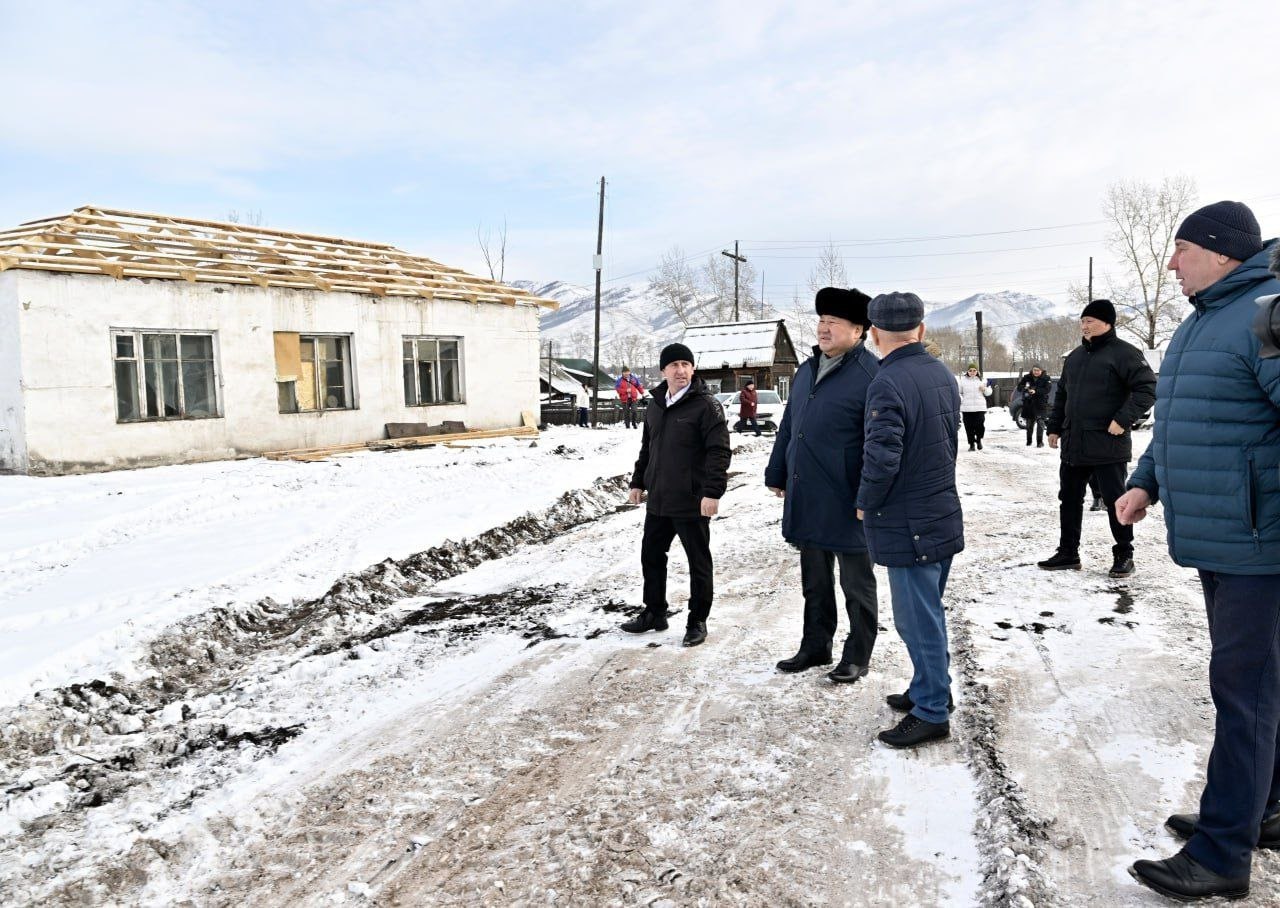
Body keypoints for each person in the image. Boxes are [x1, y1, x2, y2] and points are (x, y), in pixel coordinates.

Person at [1116, 201, 1280, 902]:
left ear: (1218, 252)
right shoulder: (1204, 322)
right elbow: (1184, 421)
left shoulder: (1264, 315)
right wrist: (1144, 482)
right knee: (1263, 687)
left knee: (1243, 695)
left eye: (1180, 249)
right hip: (1225, 538)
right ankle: (1263, 809)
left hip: (1258, 543)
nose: (1172, 263)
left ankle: (1221, 854)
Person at [857, 291, 964, 748]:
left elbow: (883, 457)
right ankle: (928, 688)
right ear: (920, 330)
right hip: (938, 509)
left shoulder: (887, 382)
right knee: (928, 613)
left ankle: (932, 711)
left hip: (908, 520)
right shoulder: (940, 373)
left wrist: (865, 500)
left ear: (874, 334)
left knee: (917, 620)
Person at [765, 287, 879, 683]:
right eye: (821, 321)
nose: (824, 329)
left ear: (859, 330)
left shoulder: (871, 376)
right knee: (814, 580)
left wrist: (869, 495)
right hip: (807, 490)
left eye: (834, 322)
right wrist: (777, 471)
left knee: (856, 584)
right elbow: (790, 425)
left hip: (848, 497)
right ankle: (815, 645)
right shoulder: (807, 369)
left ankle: (857, 654)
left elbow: (878, 444)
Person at [622, 343, 732, 647]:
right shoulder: (656, 405)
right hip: (659, 500)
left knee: (698, 562)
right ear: (664, 370)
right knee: (651, 557)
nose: (680, 370)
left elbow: (719, 451)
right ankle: (655, 612)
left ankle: (697, 620)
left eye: (686, 364)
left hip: (692, 500)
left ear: (693, 369)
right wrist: (637, 482)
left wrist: (712, 493)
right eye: (674, 365)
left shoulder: (706, 406)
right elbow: (648, 448)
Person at [1037, 299, 1156, 578]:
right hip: (1074, 442)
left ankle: (1124, 554)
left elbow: (1147, 389)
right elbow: (1062, 396)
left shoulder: (1125, 353)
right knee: (1069, 498)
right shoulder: (1076, 357)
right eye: (1082, 321)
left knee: (1116, 500)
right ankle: (1068, 552)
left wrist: (1123, 419)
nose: (1084, 325)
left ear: (1107, 322)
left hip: (1108, 443)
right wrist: (1054, 428)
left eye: (1090, 320)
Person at [957, 363, 991, 451]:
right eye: (970, 370)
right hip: (966, 408)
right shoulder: (962, 381)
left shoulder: (982, 380)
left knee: (980, 426)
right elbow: (959, 393)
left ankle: (979, 440)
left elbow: (988, 392)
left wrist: (984, 389)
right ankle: (971, 444)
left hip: (979, 408)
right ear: (967, 371)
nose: (972, 372)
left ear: (977, 371)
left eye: (974, 370)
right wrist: (961, 399)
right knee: (969, 427)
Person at [1016, 364, 1051, 447]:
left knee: (1040, 423)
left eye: (1038, 370)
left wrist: (1036, 391)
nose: (1036, 372)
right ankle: (1029, 441)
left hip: (1040, 404)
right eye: (1034, 370)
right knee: (1029, 425)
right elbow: (1019, 387)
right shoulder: (1027, 377)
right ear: (1032, 370)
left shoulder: (1046, 378)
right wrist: (1025, 388)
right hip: (1029, 404)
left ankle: (1039, 442)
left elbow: (1047, 389)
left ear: (1041, 371)